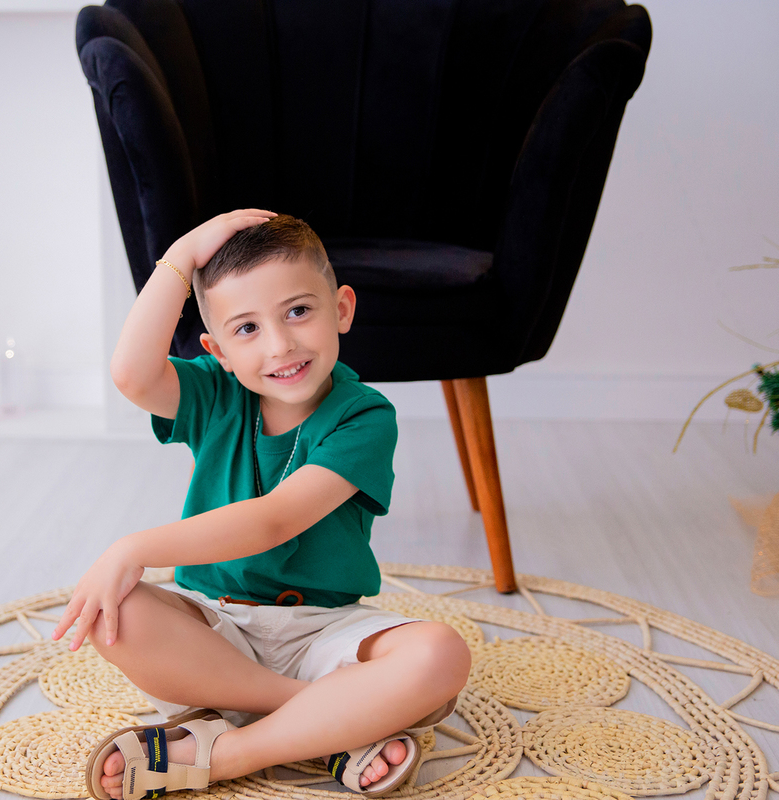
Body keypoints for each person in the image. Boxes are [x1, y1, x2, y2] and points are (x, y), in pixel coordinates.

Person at [52, 210, 470, 800]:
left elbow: (275, 521)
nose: (280, 345)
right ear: (217, 350)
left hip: (323, 631)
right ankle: (329, 723)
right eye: (246, 328)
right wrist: (183, 253)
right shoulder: (215, 392)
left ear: (342, 309)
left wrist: (133, 548)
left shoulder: (364, 416)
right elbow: (131, 374)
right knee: (112, 612)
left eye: (298, 311)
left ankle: (226, 752)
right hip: (213, 632)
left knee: (441, 655)